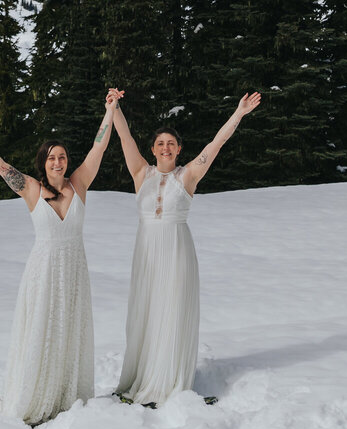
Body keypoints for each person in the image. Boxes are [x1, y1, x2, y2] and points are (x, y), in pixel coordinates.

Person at [0, 89, 121, 425]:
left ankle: (64, 395)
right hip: (44, 270)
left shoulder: (79, 184)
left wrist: (111, 109)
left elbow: (99, 145)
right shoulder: (30, 188)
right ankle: (31, 397)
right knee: (41, 329)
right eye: (51, 158)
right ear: (43, 163)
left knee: (68, 330)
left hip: (73, 269)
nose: (57, 162)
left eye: (61, 156)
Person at [108, 91, 262, 405]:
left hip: (177, 251)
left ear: (179, 149)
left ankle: (170, 383)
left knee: (172, 311)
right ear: (152, 149)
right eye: (160, 143)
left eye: (171, 143)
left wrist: (239, 113)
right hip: (147, 252)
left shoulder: (188, 176)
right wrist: (115, 107)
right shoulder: (141, 173)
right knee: (148, 312)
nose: (165, 147)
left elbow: (215, 145)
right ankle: (144, 377)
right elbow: (123, 136)